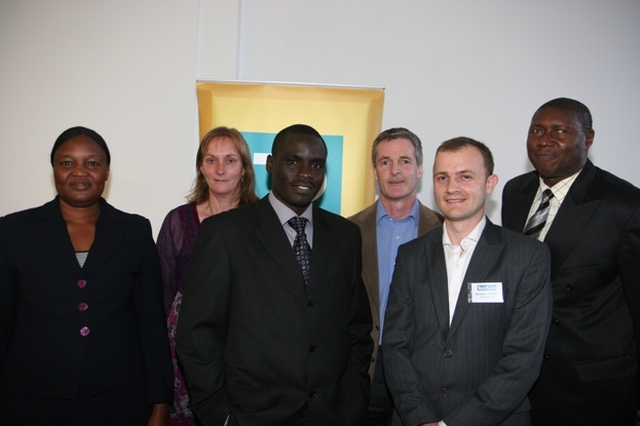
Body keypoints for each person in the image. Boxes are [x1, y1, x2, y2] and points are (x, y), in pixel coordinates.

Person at [176, 123, 373, 426]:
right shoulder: (225, 233)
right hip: (251, 416)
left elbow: (356, 327)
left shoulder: (345, 236)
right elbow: (197, 334)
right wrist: (220, 415)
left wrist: (353, 399)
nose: (306, 173)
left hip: (332, 415)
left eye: (316, 164)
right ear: (270, 165)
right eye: (293, 161)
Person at [0, 126, 173, 425]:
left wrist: (160, 404)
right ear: (53, 169)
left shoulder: (134, 231)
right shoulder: (13, 231)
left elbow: (151, 326)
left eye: (92, 163)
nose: (79, 172)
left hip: (119, 399)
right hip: (30, 401)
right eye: (67, 163)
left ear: (106, 172)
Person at [384, 137, 552, 426]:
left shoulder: (527, 256)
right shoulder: (411, 255)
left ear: (490, 183)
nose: (452, 188)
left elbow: (523, 358)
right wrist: (421, 417)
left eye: (465, 176)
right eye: (442, 177)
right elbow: (395, 344)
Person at [501, 97, 640, 426]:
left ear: (588, 138)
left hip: (591, 390)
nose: (544, 139)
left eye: (560, 130)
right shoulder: (514, 192)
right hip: (519, 380)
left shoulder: (625, 205)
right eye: (537, 130)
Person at [157, 126, 259, 426]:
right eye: (211, 160)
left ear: (244, 169)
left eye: (230, 160)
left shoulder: (263, 221)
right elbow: (161, 294)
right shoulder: (178, 220)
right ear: (201, 167)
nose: (220, 169)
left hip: (246, 345)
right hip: (183, 354)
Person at [349, 127, 442, 426]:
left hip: (423, 372)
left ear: (419, 168)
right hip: (365, 370)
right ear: (375, 171)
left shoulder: (445, 230)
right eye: (385, 162)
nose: (395, 171)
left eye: (404, 160)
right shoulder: (347, 232)